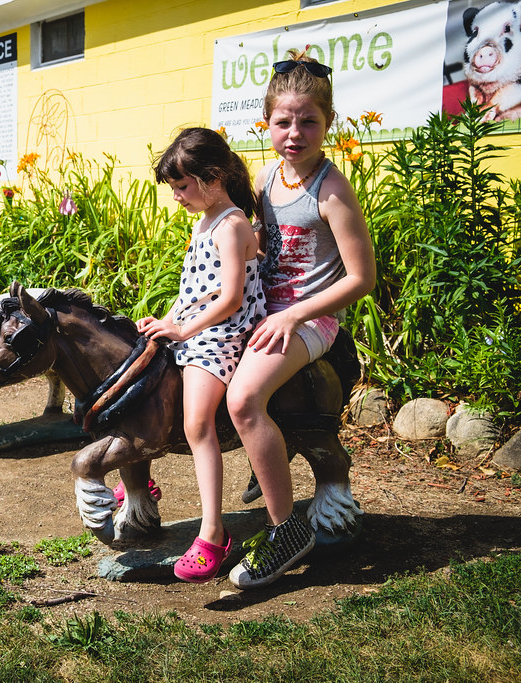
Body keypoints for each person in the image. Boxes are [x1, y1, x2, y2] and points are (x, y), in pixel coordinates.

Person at [226, 50, 376, 590]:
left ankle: (286, 530)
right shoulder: (267, 178)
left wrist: (296, 315)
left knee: (243, 400)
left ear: (327, 123)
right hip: (266, 312)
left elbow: (360, 279)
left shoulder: (332, 190)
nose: (295, 133)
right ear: (266, 122)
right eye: (283, 121)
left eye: (308, 121)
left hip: (310, 320)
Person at [135, 127, 266, 583]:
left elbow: (230, 299)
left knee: (196, 423)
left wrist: (182, 329)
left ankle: (212, 532)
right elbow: (192, 288)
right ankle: (137, 482)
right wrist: (164, 321)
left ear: (213, 176)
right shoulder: (204, 220)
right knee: (137, 378)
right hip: (195, 327)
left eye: (182, 187)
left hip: (223, 335)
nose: (177, 198)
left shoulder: (232, 226)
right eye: (173, 189)